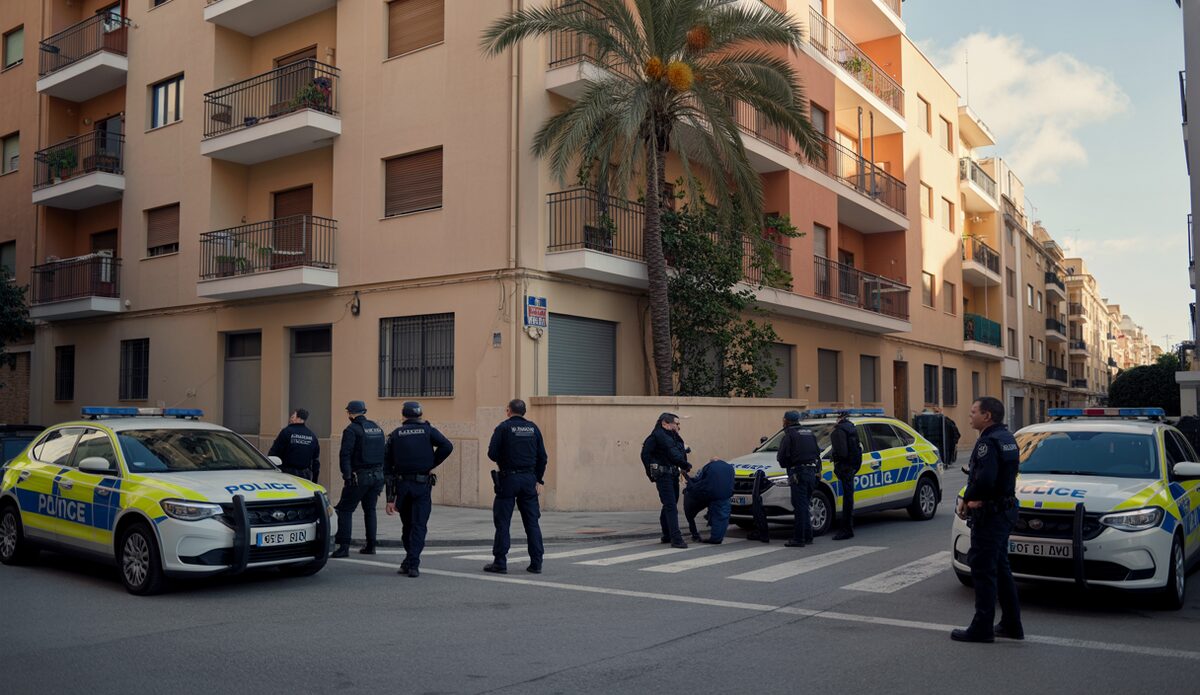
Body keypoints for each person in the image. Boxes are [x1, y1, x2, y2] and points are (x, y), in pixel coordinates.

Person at [952, 396, 1023, 643]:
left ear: (987, 416)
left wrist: (968, 498)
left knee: (983, 570)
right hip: (1004, 510)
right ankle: (1012, 624)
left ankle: (981, 628)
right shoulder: (1007, 438)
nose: (970, 415)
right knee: (1001, 569)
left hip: (991, 515)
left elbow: (985, 479)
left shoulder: (988, 442)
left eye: (974, 412)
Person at [384, 401, 453, 578]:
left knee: (407, 526)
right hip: (422, 486)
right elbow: (447, 446)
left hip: (402, 487)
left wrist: (390, 498)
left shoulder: (395, 434)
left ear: (403, 416)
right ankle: (412, 563)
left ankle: (410, 560)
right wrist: (431, 464)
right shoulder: (428, 430)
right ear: (420, 415)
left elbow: (387, 468)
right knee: (419, 525)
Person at [484, 399, 548, 575]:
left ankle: (500, 563)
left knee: (503, 522)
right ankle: (536, 563)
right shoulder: (533, 428)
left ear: (508, 411)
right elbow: (543, 457)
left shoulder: (503, 428)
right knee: (532, 523)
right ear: (524, 411)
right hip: (529, 480)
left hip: (508, 479)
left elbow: (492, 454)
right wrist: (539, 480)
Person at [331, 400, 387, 558]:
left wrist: (347, 476)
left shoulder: (351, 429)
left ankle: (344, 548)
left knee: (345, 510)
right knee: (370, 510)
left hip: (360, 477)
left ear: (350, 413)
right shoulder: (376, 428)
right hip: (377, 476)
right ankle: (371, 545)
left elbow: (345, 454)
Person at [640, 412, 692, 549]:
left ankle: (667, 534)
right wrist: (653, 472)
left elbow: (677, 451)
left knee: (670, 504)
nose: (678, 426)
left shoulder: (671, 436)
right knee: (671, 506)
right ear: (665, 424)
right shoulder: (659, 436)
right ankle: (676, 539)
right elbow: (646, 455)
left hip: (672, 474)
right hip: (664, 476)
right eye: (676, 423)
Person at [777, 410, 821, 547]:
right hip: (811, 472)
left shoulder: (789, 435)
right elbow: (817, 454)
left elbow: (781, 457)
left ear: (786, 421)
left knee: (799, 507)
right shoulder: (809, 433)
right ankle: (808, 536)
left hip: (798, 473)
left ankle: (799, 538)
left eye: (783, 419)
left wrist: (789, 467)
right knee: (804, 505)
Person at [682, 458, 735, 544]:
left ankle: (713, 538)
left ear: (711, 462)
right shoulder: (729, 467)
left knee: (716, 515)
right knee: (722, 517)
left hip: (712, 495)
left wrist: (688, 480)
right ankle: (718, 537)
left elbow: (700, 480)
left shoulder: (709, 467)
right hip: (726, 495)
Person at [829, 411, 862, 541]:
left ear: (839, 418)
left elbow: (842, 452)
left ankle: (846, 529)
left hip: (844, 466)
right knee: (849, 498)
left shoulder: (839, 431)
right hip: (852, 466)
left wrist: (835, 457)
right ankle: (848, 528)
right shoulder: (851, 428)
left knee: (847, 500)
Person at [267, 409, 320, 482]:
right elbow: (315, 461)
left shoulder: (286, 432)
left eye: (293, 417)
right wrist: (315, 480)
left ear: (299, 418)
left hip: (287, 474)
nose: (291, 419)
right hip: (305, 476)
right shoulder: (312, 436)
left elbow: (274, 452)